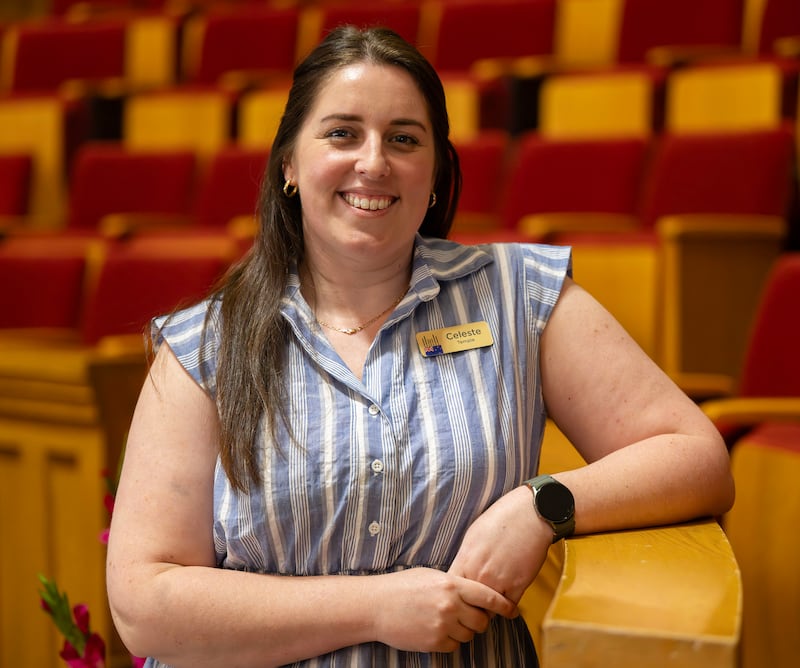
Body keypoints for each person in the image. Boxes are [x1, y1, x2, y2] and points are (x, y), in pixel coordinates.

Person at [106, 26, 735, 668]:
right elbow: (143, 605)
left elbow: (695, 457)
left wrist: (540, 505)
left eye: (404, 139)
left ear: (435, 173)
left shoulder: (518, 296)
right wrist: (378, 606)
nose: (373, 162)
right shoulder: (206, 345)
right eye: (342, 133)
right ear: (289, 165)